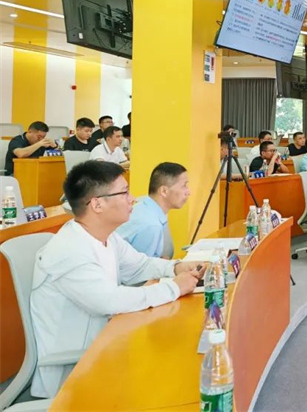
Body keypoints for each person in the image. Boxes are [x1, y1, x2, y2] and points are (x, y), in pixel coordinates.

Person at [29, 161, 202, 398]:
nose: (133, 199)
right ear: (97, 204)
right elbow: (110, 301)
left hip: (108, 347)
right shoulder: (69, 251)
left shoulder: (106, 237)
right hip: (75, 373)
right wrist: (174, 288)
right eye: (124, 193)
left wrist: (177, 267)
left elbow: (140, 265)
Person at [116, 162, 190, 258]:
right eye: (184, 186)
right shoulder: (151, 224)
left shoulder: (146, 205)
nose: (188, 192)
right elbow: (142, 266)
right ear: (164, 191)